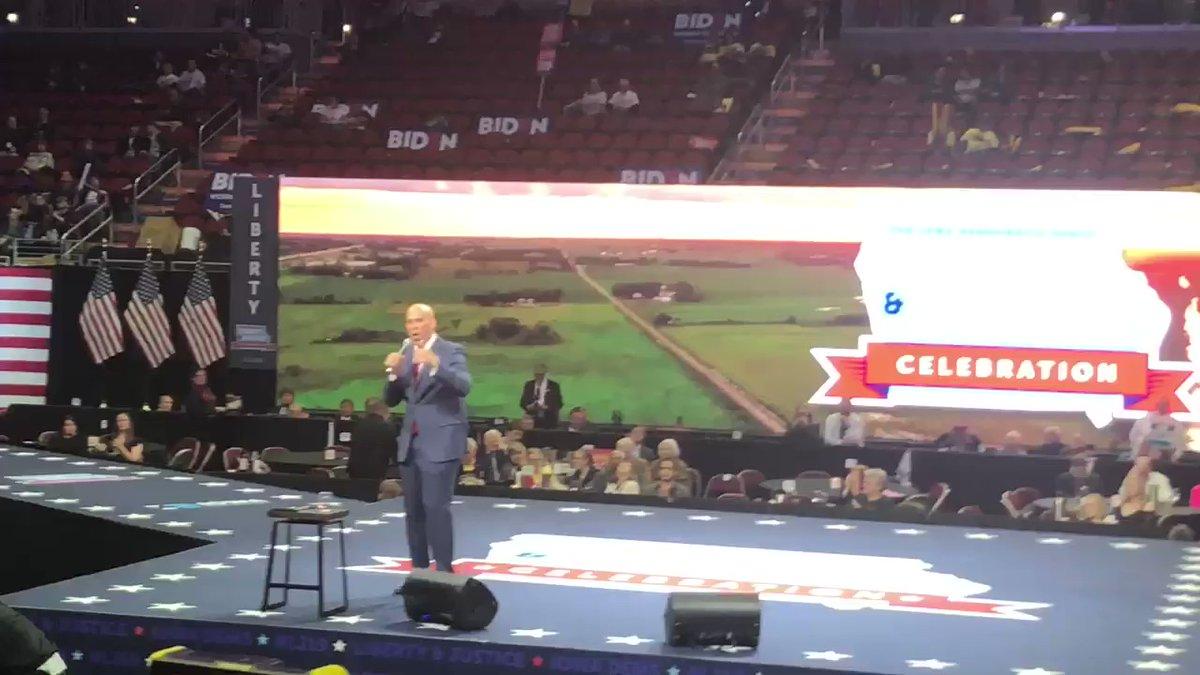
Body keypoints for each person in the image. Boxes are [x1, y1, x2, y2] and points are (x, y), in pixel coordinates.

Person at [383, 303, 471, 577]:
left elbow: (464, 386)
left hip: (441, 442)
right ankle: (419, 573)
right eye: (410, 322)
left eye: (419, 321)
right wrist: (394, 374)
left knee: (436, 508)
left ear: (433, 322)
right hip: (411, 444)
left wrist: (435, 365)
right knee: (413, 511)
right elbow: (390, 400)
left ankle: (443, 573)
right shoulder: (405, 352)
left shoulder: (451, 351)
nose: (414, 327)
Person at [348, 399, 396, 481]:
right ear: (382, 410)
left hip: (355, 475)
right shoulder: (386, 428)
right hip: (376, 476)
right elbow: (395, 453)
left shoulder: (358, 425)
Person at [1116, 456, 1175, 522]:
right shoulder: (1131, 477)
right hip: (1132, 508)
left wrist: (1148, 499)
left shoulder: (1158, 479)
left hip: (1154, 511)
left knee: (1150, 505)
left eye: (1145, 465)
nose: (1142, 468)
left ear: (1150, 467)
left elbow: (1167, 498)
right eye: (1138, 465)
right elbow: (1123, 494)